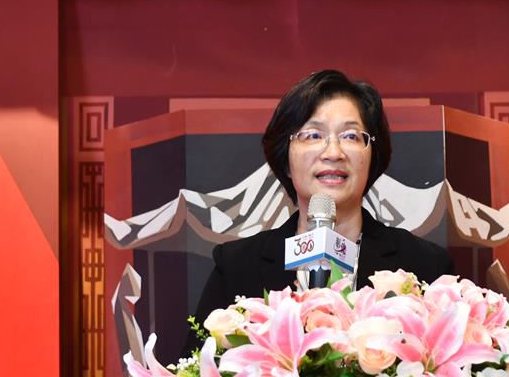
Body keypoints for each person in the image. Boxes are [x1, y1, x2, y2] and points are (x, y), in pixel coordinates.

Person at [188, 69, 455, 347]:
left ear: (372, 157)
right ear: (285, 160)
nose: (333, 153)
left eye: (351, 136)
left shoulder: (424, 266)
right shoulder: (237, 267)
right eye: (313, 135)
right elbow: (197, 368)